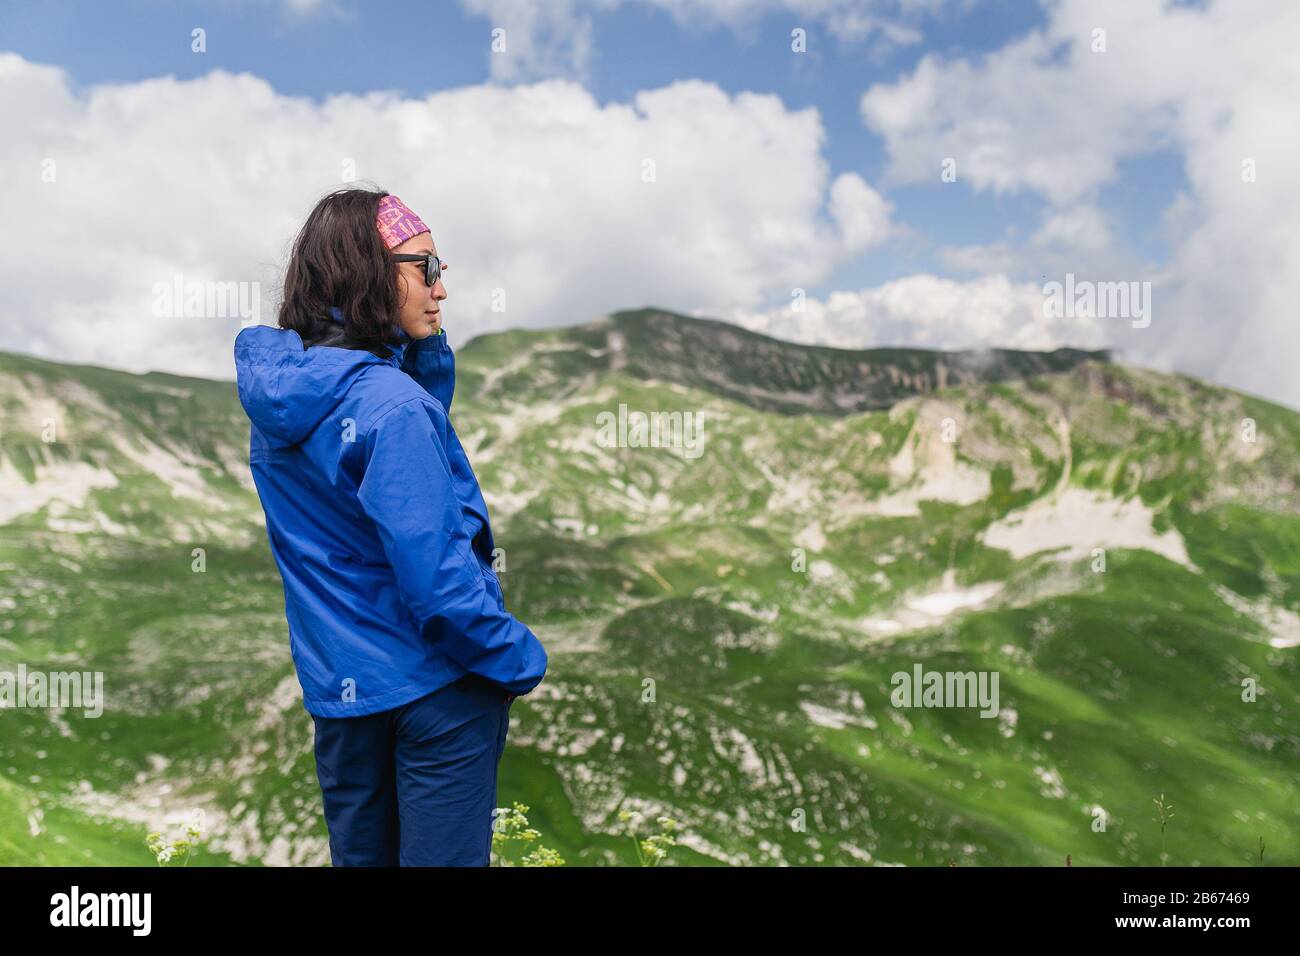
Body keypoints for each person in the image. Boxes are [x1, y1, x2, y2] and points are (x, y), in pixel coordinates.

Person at [233, 186, 548, 866]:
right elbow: (438, 584)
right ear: (368, 273)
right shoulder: (392, 407)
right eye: (425, 268)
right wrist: (518, 660)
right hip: (436, 694)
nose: (442, 289)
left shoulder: (281, 406)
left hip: (342, 700)